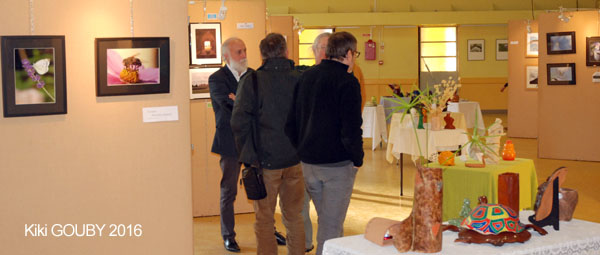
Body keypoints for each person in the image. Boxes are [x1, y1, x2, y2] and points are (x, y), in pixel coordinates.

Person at [286, 31, 364, 255]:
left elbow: (290, 123)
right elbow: (351, 128)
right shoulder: (348, 82)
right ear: (348, 54)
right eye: (355, 53)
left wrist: (302, 149)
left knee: (326, 223)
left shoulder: (306, 77)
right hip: (336, 167)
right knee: (331, 229)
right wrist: (357, 158)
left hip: (308, 165)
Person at [231, 33, 305, 255]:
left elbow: (238, 121)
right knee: (294, 216)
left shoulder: (252, 81)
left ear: (262, 55)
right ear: (286, 52)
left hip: (265, 162)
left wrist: (248, 156)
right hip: (296, 159)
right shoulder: (300, 78)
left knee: (264, 219)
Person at [208, 37, 250, 253]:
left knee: (262, 189)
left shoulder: (253, 76)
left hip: (252, 142)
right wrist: (244, 104)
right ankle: (228, 236)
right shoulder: (217, 79)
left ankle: (269, 230)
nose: (243, 55)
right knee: (229, 192)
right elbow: (227, 108)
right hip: (229, 143)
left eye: (244, 51)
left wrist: (238, 100)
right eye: (238, 52)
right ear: (226, 56)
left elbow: (258, 106)